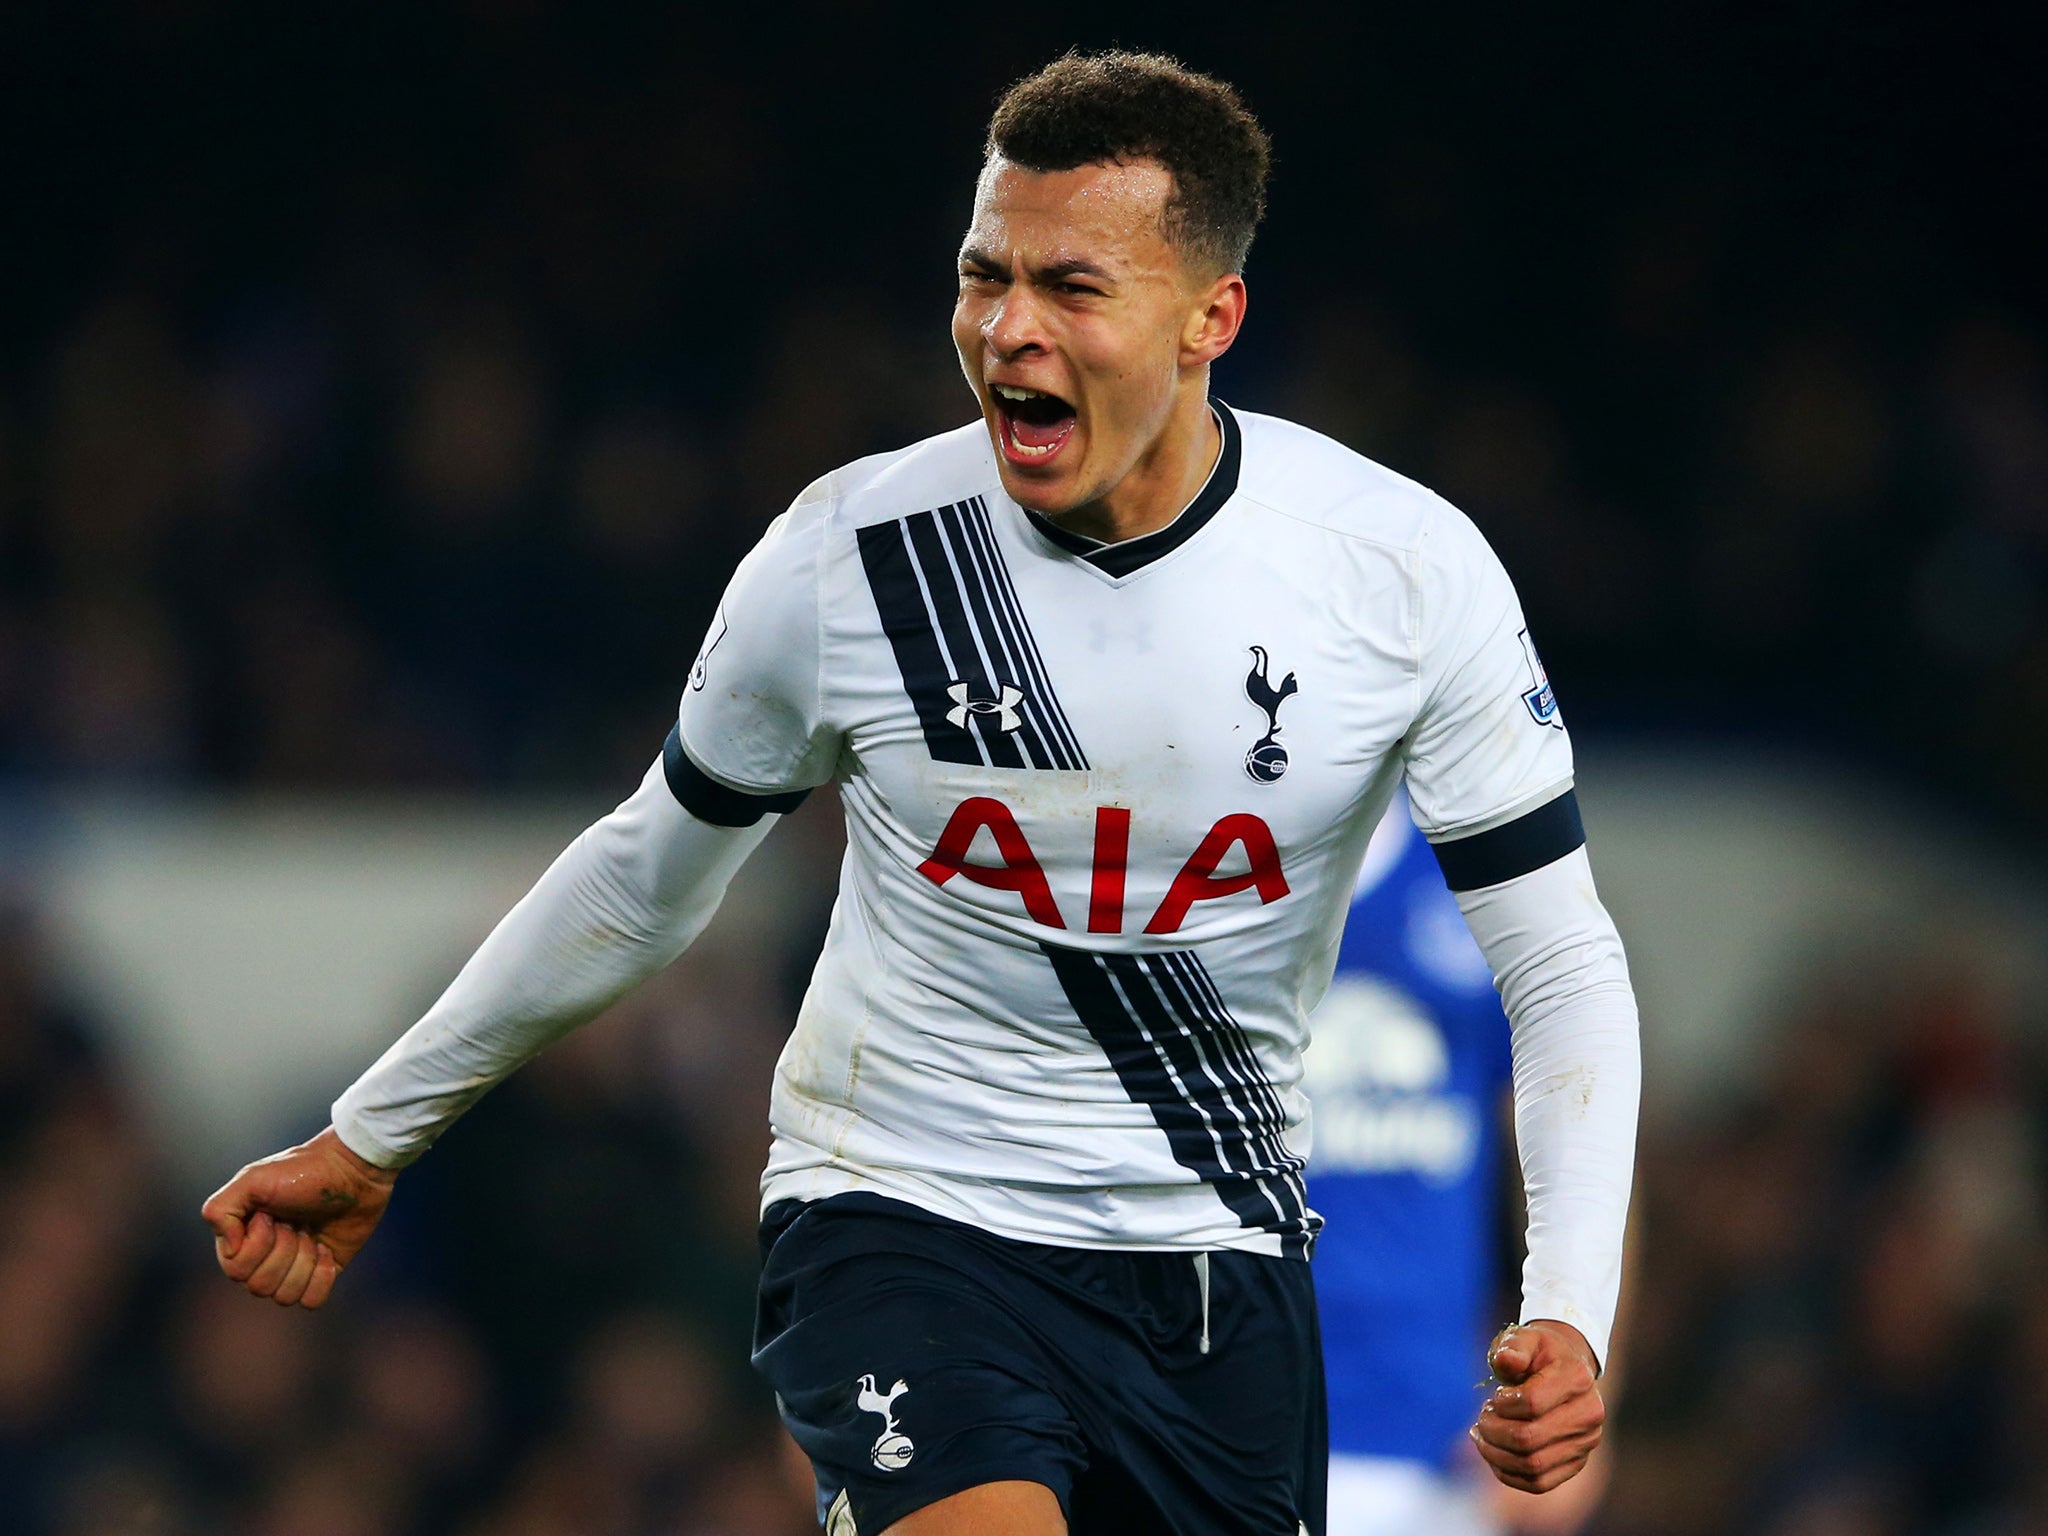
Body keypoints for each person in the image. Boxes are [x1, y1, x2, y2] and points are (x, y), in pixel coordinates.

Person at [203, 52, 1639, 1536]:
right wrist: (373, 1128)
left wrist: (1571, 1307)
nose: (1009, 330)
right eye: (983, 276)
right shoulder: (854, 560)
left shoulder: (1400, 575)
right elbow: (645, 874)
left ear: (1212, 317)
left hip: (1219, 1265)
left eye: (1072, 289)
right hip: (901, 1224)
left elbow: (1562, 965)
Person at [1307, 797, 1614, 1536]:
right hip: (1224, 1421)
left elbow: (1580, 1143)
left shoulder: (1493, 871)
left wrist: (1586, 1385)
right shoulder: (1197, 863)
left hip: (1438, 1448)